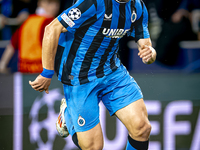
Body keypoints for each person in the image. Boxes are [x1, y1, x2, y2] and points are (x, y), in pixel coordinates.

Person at [29, 0, 157, 149]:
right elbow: (52, 29)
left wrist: (150, 54)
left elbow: (146, 46)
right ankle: (68, 115)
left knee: (142, 128)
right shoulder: (93, 3)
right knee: (93, 147)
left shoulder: (138, 6)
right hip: (79, 76)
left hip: (112, 71)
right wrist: (47, 73)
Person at [0, 0, 60, 74]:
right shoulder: (51, 22)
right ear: (40, 3)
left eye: (57, 4)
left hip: (25, 71)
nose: (54, 7)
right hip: (43, 72)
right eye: (50, 3)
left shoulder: (27, 21)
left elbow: (11, 45)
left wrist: (2, 65)